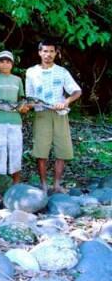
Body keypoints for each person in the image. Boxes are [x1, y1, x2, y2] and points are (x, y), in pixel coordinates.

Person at [26, 40, 81, 193]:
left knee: (62, 149)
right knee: (41, 150)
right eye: (44, 51)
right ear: (39, 52)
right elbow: (29, 96)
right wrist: (27, 106)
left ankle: (57, 185)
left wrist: (66, 101)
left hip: (60, 114)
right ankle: (43, 185)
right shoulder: (31, 72)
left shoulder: (62, 72)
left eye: (51, 51)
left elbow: (77, 91)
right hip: (41, 113)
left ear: (56, 53)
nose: (48, 54)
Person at [0, 50, 29, 201]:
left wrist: (24, 107)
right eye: (2, 61)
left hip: (15, 122)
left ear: (12, 64)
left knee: (15, 153)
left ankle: (16, 188)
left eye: (8, 61)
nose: (5, 63)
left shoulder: (17, 80)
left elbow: (22, 101)